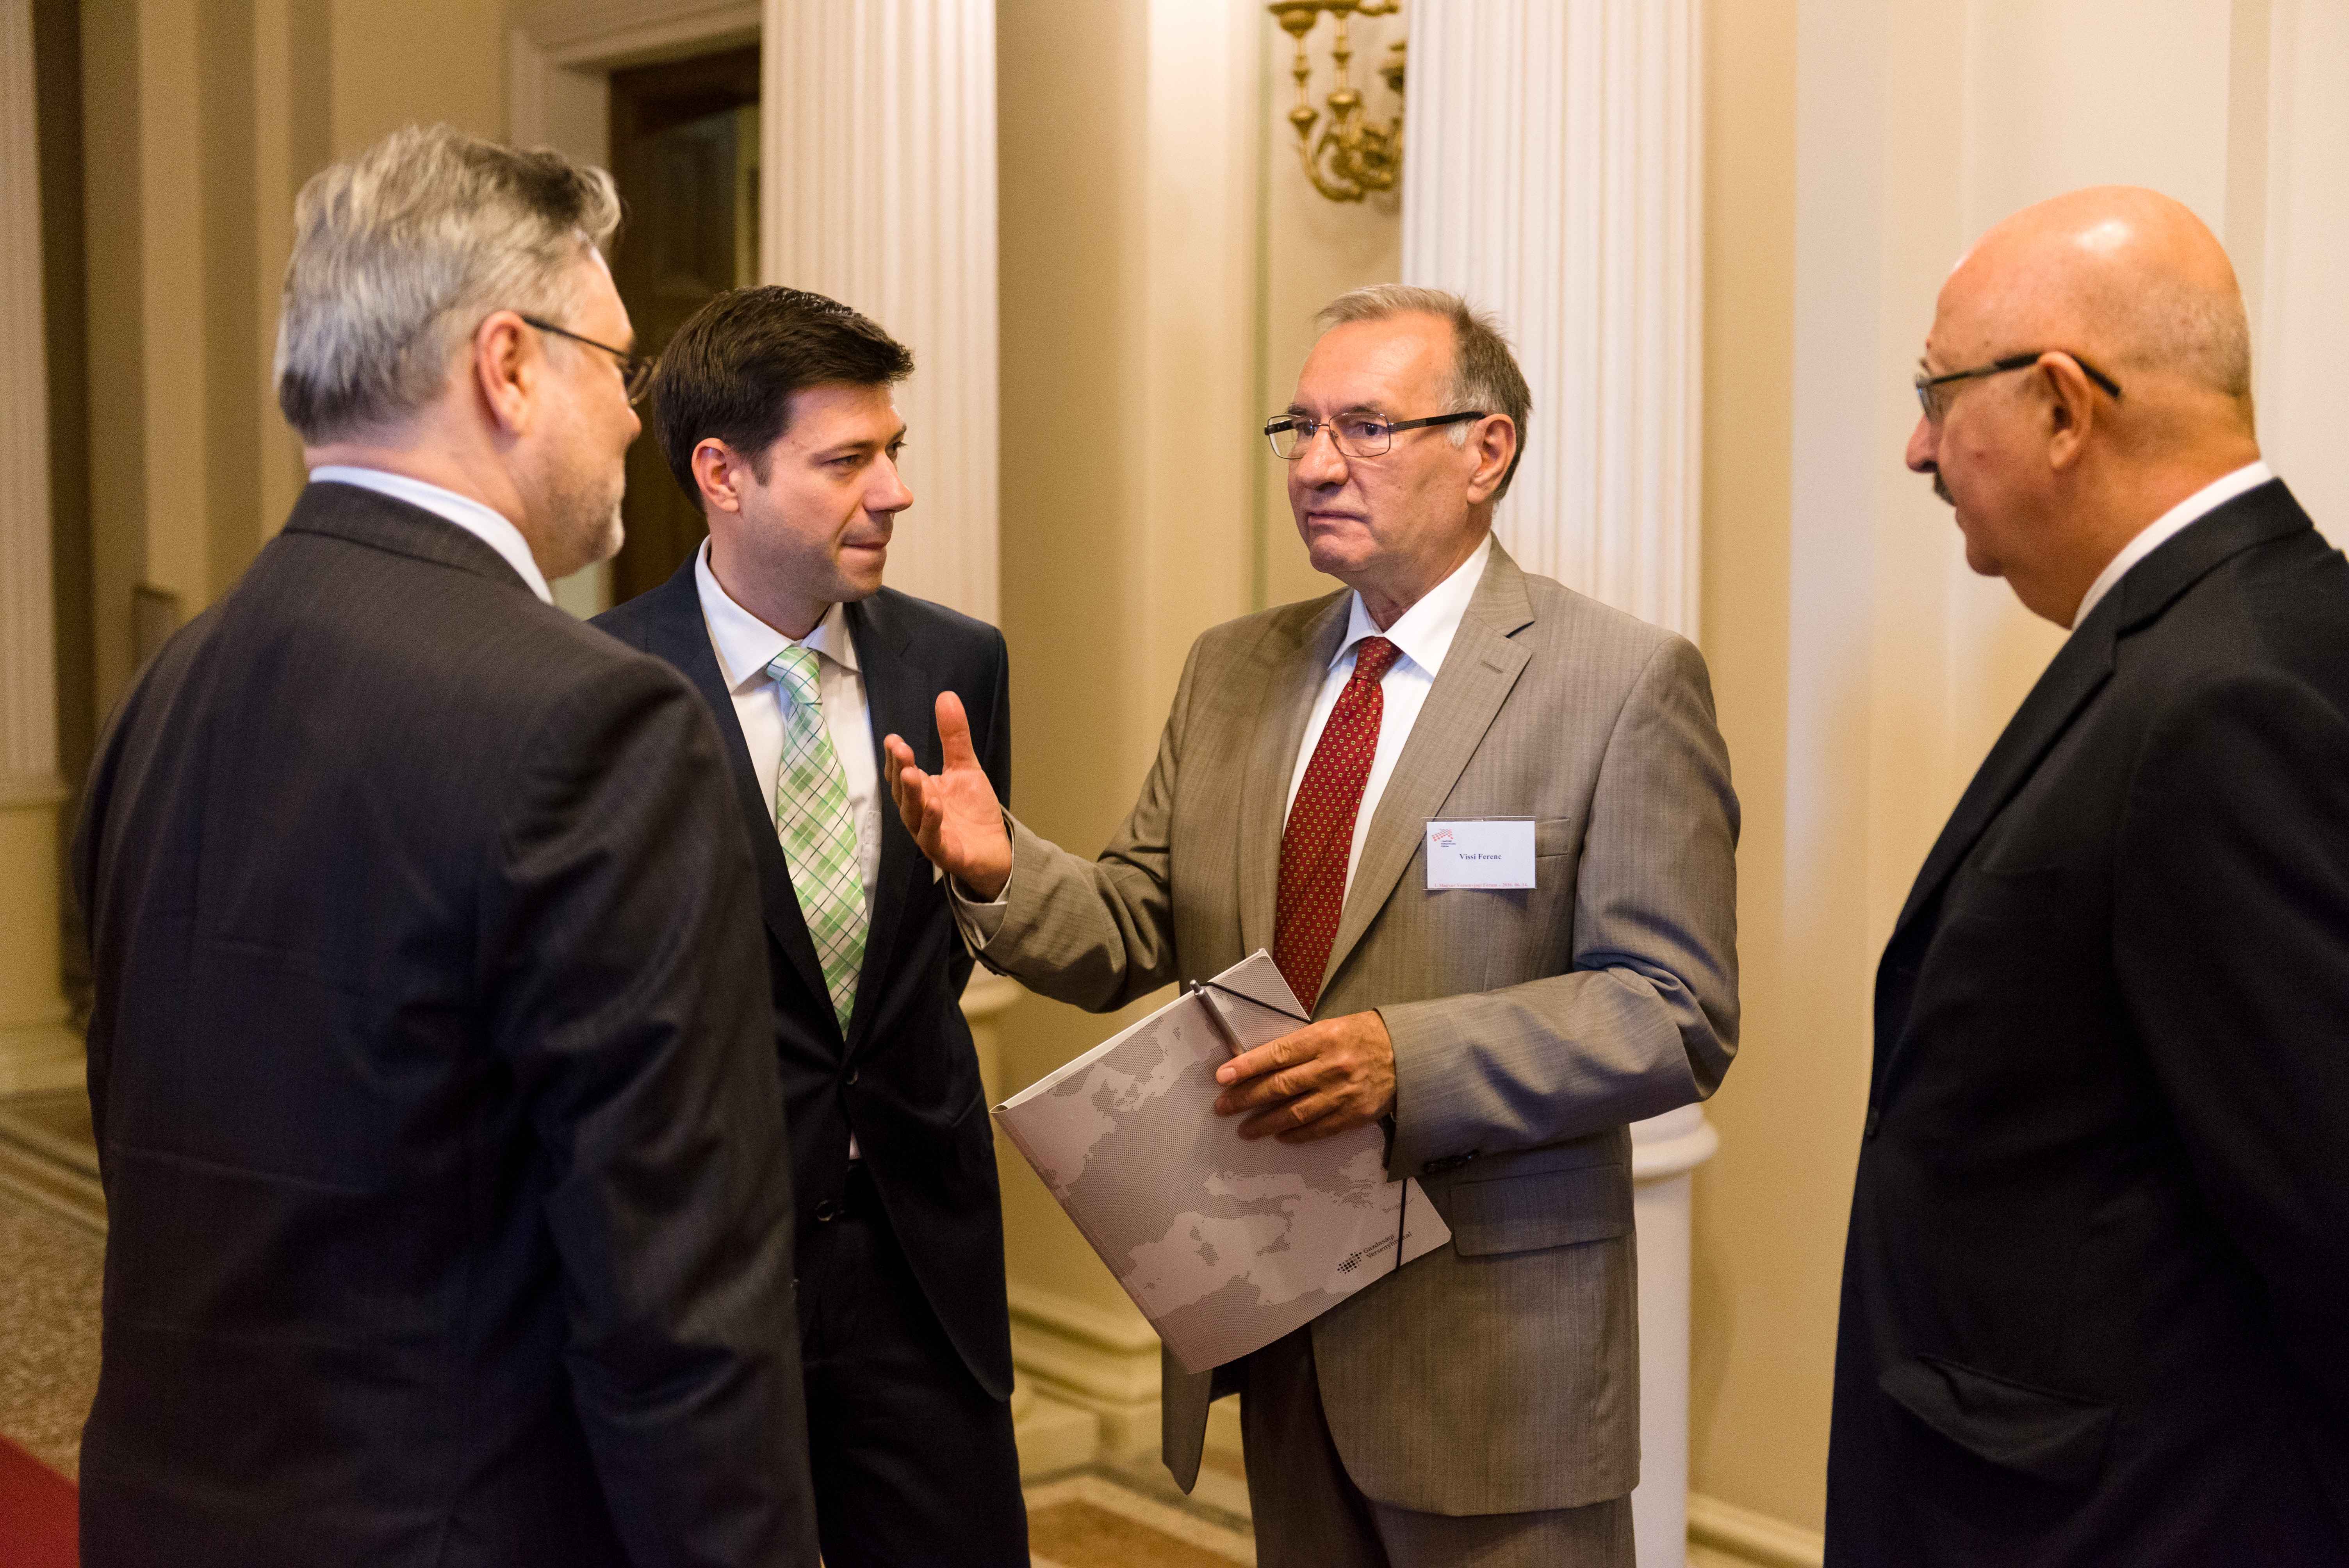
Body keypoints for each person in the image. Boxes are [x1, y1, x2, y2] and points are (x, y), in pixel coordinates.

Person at [888, 284, 1739, 1568]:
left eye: (1366, 428)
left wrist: (1407, 1060)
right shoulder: (1233, 669)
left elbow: (1671, 1013)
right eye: (1300, 429)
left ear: (1487, 450)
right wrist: (1005, 869)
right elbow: (1135, 921)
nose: (1316, 466)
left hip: (1494, 1363)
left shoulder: (1618, 683)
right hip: (1274, 1323)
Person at [71, 126, 819, 1568]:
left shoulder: (171, 685)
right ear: (509, 365)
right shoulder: (597, 721)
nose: (635, 422)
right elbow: (678, 1306)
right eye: (619, 367)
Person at [1827, 186, 2349, 1563]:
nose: (1918, 446)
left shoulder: (2223, 699)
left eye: (1939, 394)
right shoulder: (2248, 626)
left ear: (2062, 406)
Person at [593, 286, 1025, 1567]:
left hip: (919, 1259)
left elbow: (942, 947)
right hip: (707, 1266)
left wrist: (992, 888)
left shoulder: (959, 665)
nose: (894, 492)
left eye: (894, 451)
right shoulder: (599, 691)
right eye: (847, 462)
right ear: (722, 474)